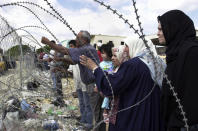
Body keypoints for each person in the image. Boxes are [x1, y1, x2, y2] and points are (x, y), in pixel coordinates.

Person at [80, 37, 165, 131]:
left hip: (134, 117)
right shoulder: (157, 63)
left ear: (135, 45)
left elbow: (111, 87)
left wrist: (95, 68)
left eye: (127, 46)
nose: (125, 49)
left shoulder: (133, 65)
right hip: (153, 114)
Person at [41, 30, 101, 130]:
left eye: (78, 38)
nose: (76, 40)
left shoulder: (85, 49)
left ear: (84, 40)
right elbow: (73, 62)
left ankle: (90, 125)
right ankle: (86, 122)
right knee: (86, 104)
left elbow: (64, 50)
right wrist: (61, 59)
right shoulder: (85, 49)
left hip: (92, 83)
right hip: (87, 82)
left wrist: (48, 42)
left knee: (91, 107)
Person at [157, 10, 198, 131]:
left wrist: (178, 122)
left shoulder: (192, 53)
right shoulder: (175, 53)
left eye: (161, 29)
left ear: (173, 29)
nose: (157, 33)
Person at [67, 40, 93, 127]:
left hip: (85, 85)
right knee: (81, 103)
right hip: (78, 85)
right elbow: (71, 71)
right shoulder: (73, 59)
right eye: (69, 46)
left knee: (87, 104)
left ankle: (89, 123)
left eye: (72, 46)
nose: (71, 48)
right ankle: (83, 119)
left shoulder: (83, 57)